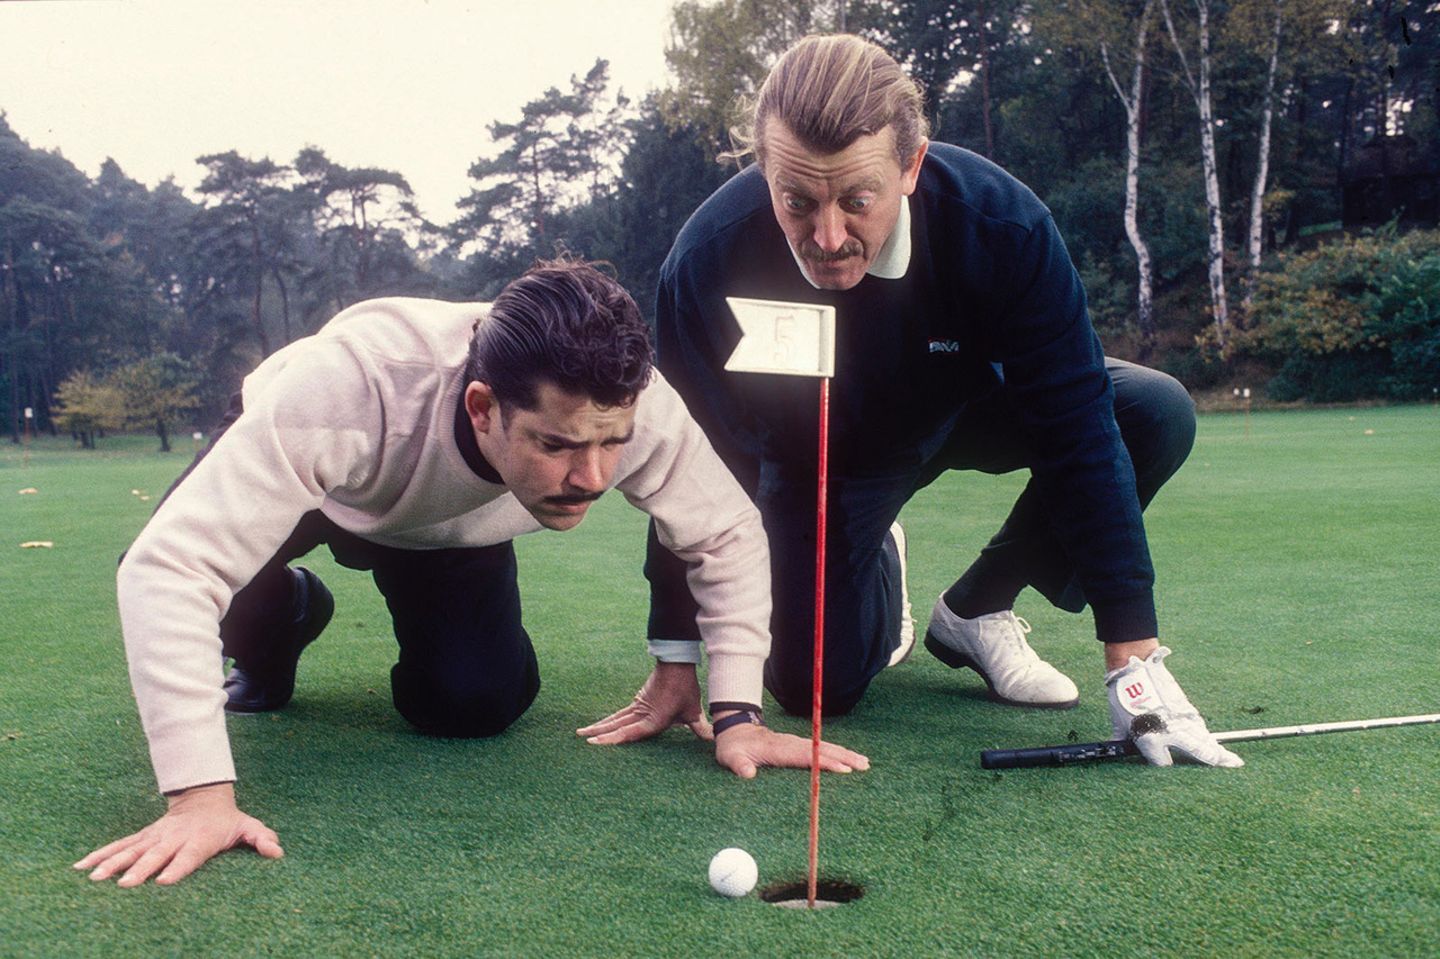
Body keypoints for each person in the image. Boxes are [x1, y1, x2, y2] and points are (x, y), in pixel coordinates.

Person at [75, 259, 869, 888]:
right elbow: (170, 569)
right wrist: (200, 797)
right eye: (556, 445)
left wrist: (737, 711)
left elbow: (726, 531)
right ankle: (281, 614)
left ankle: (325, 619)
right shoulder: (345, 387)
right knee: (194, 583)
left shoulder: (632, 405)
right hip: (322, 485)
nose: (593, 477)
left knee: (474, 701)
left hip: (445, 529)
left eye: (611, 443)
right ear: (484, 407)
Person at [616, 34, 1242, 769]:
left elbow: (1076, 425)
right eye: (797, 201)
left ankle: (978, 604)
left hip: (970, 404)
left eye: (857, 201)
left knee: (1153, 412)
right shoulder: (706, 260)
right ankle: (880, 552)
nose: (828, 237)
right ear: (764, 170)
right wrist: (676, 654)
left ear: (911, 166)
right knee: (816, 686)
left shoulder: (1003, 225)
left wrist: (1132, 661)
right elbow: (687, 467)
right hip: (829, 459)